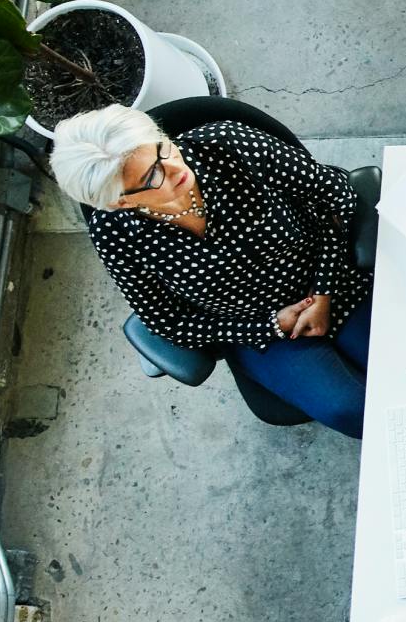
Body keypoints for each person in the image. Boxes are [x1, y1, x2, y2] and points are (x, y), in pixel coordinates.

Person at [49, 105, 373, 437]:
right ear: (121, 202)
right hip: (256, 330)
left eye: (162, 148)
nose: (175, 167)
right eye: (152, 176)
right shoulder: (114, 232)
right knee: (353, 411)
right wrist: (270, 326)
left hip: (330, 277)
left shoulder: (229, 144)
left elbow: (334, 193)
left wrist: (323, 291)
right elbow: (164, 320)